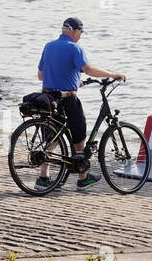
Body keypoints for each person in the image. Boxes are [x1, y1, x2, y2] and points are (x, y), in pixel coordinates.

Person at [36, 17, 126, 190]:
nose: (80, 36)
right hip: (67, 98)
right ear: (74, 31)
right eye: (80, 33)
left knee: (55, 135)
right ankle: (83, 178)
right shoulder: (74, 48)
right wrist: (113, 74)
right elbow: (89, 69)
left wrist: (72, 79)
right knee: (79, 134)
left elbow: (41, 75)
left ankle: (43, 178)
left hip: (48, 98)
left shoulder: (49, 46)